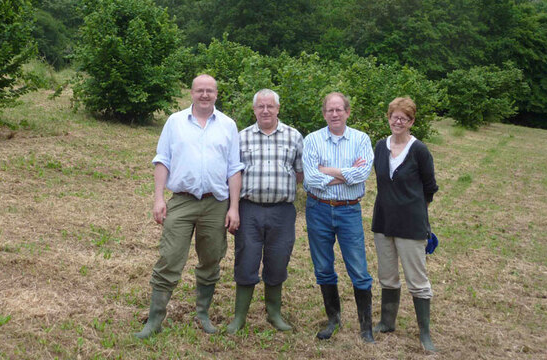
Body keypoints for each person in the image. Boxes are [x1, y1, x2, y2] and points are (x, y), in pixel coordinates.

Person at [134, 74, 243, 339]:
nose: (204, 95)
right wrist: (159, 198)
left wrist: (234, 208)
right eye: (199, 90)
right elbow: (163, 160)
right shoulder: (175, 122)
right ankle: (155, 320)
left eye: (210, 91)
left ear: (217, 94)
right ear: (191, 93)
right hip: (181, 201)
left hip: (216, 203)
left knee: (211, 259)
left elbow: (234, 169)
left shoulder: (228, 125)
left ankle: (202, 314)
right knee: (170, 257)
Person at [227, 89, 304, 334]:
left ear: (278, 108)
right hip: (249, 209)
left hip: (282, 211)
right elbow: (233, 174)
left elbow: (300, 173)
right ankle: (240, 317)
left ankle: (274, 313)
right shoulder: (241, 137)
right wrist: (234, 209)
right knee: (246, 259)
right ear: (254, 110)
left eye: (270, 106)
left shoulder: (294, 136)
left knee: (278, 260)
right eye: (260, 106)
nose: (265, 110)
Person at [302, 92, 375, 343]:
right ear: (324, 114)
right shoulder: (311, 140)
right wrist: (346, 173)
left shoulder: (361, 139)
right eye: (330, 110)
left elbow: (362, 173)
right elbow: (310, 178)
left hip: (348, 210)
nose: (334, 114)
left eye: (339, 110)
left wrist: (327, 172)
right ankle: (333, 319)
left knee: (358, 268)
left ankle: (366, 327)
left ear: (347, 112)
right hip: (317, 209)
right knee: (323, 267)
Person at [371, 97, 439, 352]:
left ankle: (425, 334)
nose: (398, 121)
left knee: (417, 279)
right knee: (387, 276)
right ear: (388, 118)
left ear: (411, 122)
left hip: (411, 225)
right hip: (383, 222)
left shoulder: (419, 150)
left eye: (404, 118)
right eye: (394, 117)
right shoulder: (380, 146)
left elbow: (429, 187)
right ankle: (387, 322)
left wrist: (415, 211)